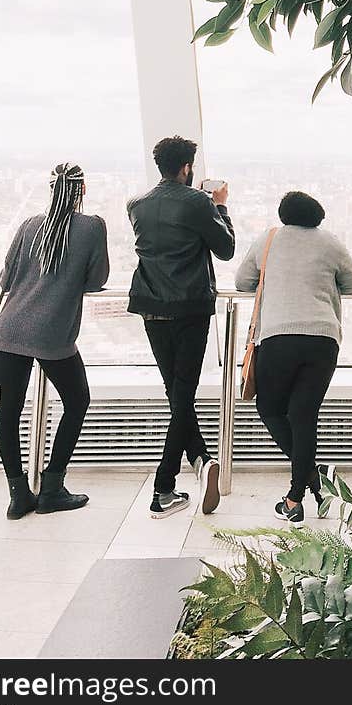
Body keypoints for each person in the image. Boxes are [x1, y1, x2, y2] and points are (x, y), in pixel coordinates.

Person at [235, 191, 352, 526]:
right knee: (303, 415)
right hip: (323, 339)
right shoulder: (331, 243)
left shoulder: (269, 239)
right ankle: (304, 489)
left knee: (270, 409)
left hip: (279, 338)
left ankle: (304, 487)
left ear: (283, 214)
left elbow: (242, 281)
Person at [0, 162, 109, 520]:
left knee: (8, 410)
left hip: (9, 330)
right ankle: (53, 486)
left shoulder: (30, 225)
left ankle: (18, 494)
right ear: (82, 189)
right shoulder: (91, 227)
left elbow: (4, 279)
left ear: (51, 188)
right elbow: (96, 279)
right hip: (52, 334)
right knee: (77, 400)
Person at [127, 136, 235, 519]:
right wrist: (220, 206)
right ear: (187, 167)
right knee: (183, 394)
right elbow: (225, 249)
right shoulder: (198, 202)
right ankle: (163, 487)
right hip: (189, 307)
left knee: (176, 392)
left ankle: (202, 461)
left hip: (151, 307)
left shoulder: (136, 205)